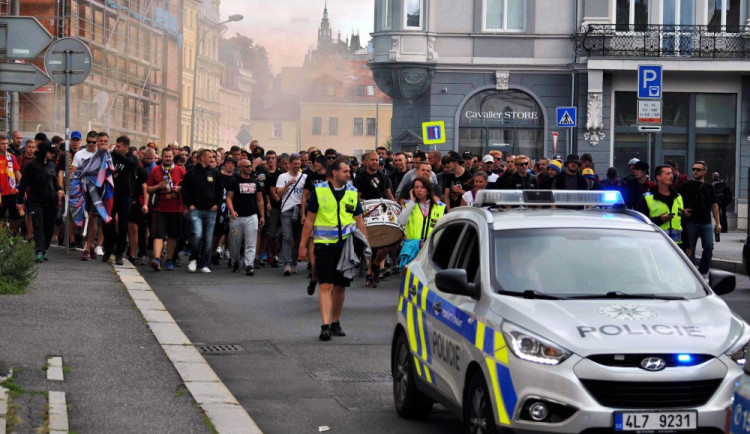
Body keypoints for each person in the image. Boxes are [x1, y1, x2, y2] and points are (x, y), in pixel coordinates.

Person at [298, 157, 368, 341]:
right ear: (335, 173)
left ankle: (336, 322)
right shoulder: (319, 191)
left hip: (346, 246)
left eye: (349, 171)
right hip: (324, 246)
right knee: (326, 284)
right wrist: (302, 246)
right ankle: (325, 325)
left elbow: (359, 221)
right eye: (345, 171)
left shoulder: (352, 192)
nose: (349, 174)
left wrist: (367, 247)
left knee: (340, 287)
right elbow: (310, 220)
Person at [16, 140, 63, 263]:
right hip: (37, 201)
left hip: (51, 202)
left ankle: (44, 249)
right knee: (38, 226)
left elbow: (54, 182)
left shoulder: (51, 165)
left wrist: (59, 189)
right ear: (44, 152)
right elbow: (23, 183)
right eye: (51, 152)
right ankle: (39, 251)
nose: (53, 155)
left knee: (49, 227)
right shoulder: (32, 166)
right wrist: (20, 200)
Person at [181, 149, 223, 273]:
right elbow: (185, 190)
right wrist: (189, 205)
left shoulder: (215, 172)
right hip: (196, 210)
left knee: (208, 238)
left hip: (211, 210)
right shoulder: (191, 173)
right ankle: (193, 259)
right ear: (202, 158)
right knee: (197, 235)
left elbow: (219, 190)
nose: (212, 159)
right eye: (210, 157)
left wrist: (217, 205)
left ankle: (205, 263)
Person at [678, 161, 721, 279]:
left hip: (706, 223)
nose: (695, 171)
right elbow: (675, 203)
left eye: (698, 169)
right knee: (689, 249)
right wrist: (682, 211)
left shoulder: (709, 186)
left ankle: (703, 270)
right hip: (690, 222)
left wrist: (718, 223)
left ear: (704, 171)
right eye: (693, 169)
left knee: (708, 246)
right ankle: (692, 273)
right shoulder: (685, 186)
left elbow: (714, 205)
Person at [146, 147, 186, 271]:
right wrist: (158, 186)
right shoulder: (155, 170)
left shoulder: (180, 170)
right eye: (166, 156)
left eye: (170, 156)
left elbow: (188, 187)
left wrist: (179, 188)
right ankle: (157, 259)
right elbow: (148, 189)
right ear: (162, 157)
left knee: (172, 236)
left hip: (176, 208)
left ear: (173, 157)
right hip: (160, 207)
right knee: (158, 235)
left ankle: (169, 259)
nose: (168, 158)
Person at [226, 158, 265, 275]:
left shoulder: (255, 182)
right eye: (247, 166)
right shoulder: (234, 181)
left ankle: (249, 265)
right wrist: (232, 211)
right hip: (237, 217)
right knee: (235, 243)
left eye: (250, 166)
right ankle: (235, 261)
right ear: (241, 168)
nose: (249, 168)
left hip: (251, 216)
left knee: (251, 242)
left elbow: (259, 200)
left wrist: (262, 216)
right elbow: (229, 198)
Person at [397, 177, 446, 268]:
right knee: (411, 280)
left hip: (431, 248)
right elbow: (401, 221)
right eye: (416, 187)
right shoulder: (409, 205)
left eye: (422, 187)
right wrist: (412, 203)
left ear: (428, 190)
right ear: (412, 190)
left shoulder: (440, 206)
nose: (419, 190)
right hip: (412, 249)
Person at [636, 165, 686, 252]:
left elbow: (682, 221)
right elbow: (641, 222)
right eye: (667, 174)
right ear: (658, 177)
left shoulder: (678, 197)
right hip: (655, 244)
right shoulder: (648, 197)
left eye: (671, 173)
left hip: (677, 245)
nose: (671, 176)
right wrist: (660, 220)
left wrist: (687, 244)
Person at [274, 153, 307, 276]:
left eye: (299, 164)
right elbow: (279, 194)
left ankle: (294, 263)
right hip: (287, 210)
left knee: (298, 239)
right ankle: (287, 263)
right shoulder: (283, 177)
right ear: (289, 164)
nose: (297, 166)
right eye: (294, 164)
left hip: (300, 210)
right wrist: (288, 184)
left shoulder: (304, 177)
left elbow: (307, 194)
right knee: (287, 237)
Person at [300, 155, 328, 293]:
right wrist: (303, 213)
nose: (315, 164)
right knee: (312, 245)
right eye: (314, 162)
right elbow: (305, 195)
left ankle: (320, 277)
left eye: (317, 162)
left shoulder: (330, 177)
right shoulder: (310, 177)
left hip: (327, 216)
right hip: (313, 213)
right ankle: (314, 276)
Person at [0, 135, 22, 234]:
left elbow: (17, 173)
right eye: (2, 144)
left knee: (17, 217)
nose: (5, 146)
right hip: (1, 193)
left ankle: (9, 235)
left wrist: (23, 188)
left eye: (6, 144)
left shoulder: (11, 157)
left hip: (11, 192)